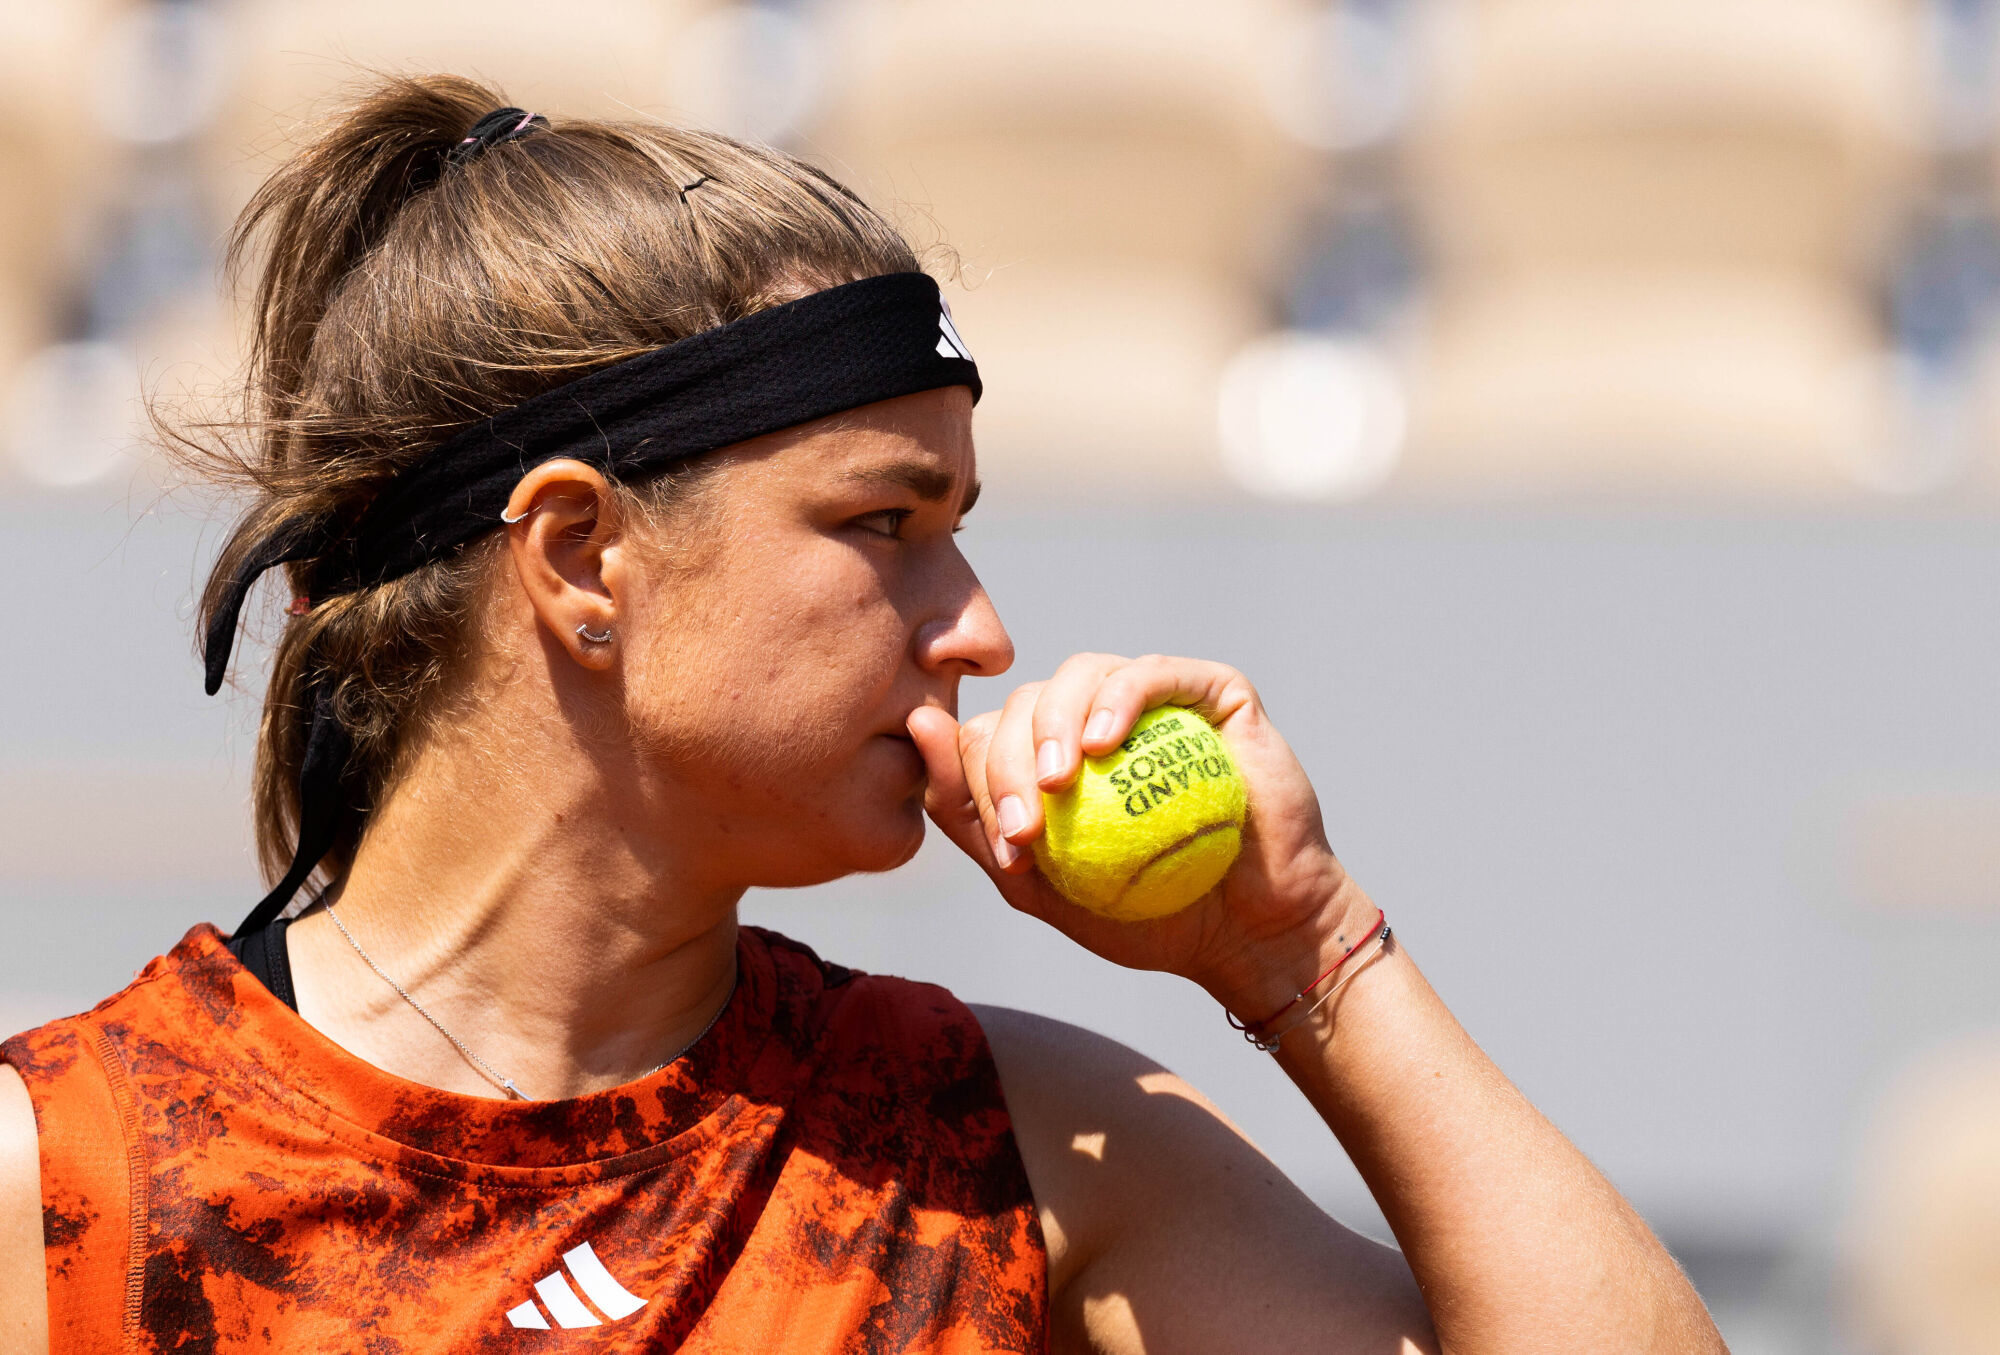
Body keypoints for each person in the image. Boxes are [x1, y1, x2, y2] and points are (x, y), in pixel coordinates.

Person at [0, 77, 1725, 1354]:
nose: (980, 631)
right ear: (582, 555)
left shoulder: (1007, 1146)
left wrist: (1313, 961)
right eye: (885, 523)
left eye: (956, 531)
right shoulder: (68, 1180)